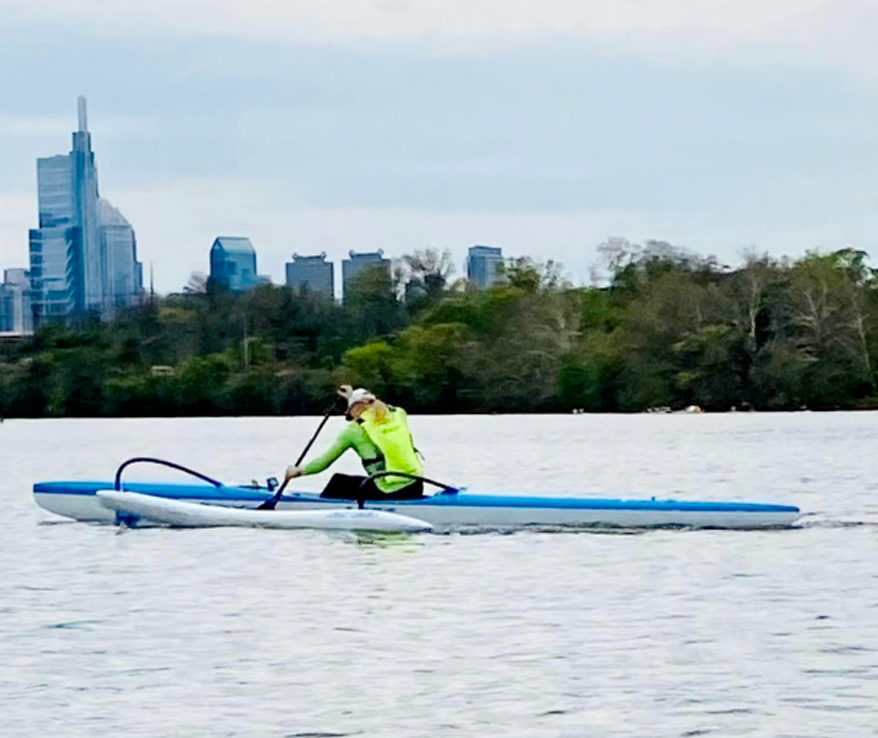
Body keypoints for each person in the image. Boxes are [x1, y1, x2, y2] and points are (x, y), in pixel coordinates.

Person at [285, 386, 425, 500]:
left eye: (350, 412)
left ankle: (322, 509)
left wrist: (298, 471)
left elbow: (323, 462)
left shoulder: (353, 431)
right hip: (416, 485)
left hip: (388, 490)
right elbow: (377, 406)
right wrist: (353, 397)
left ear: (356, 407)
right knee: (359, 482)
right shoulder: (398, 414)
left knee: (338, 482)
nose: (350, 416)